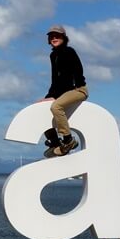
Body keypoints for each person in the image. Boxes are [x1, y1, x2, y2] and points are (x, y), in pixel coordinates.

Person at [42, 24, 87, 156]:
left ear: (63, 38)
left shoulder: (69, 51)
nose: (54, 38)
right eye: (51, 36)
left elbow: (70, 76)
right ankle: (56, 143)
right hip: (64, 91)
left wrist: (54, 96)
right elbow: (55, 78)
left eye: (57, 36)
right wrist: (49, 96)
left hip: (78, 89)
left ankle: (68, 140)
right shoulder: (53, 55)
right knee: (42, 108)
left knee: (56, 106)